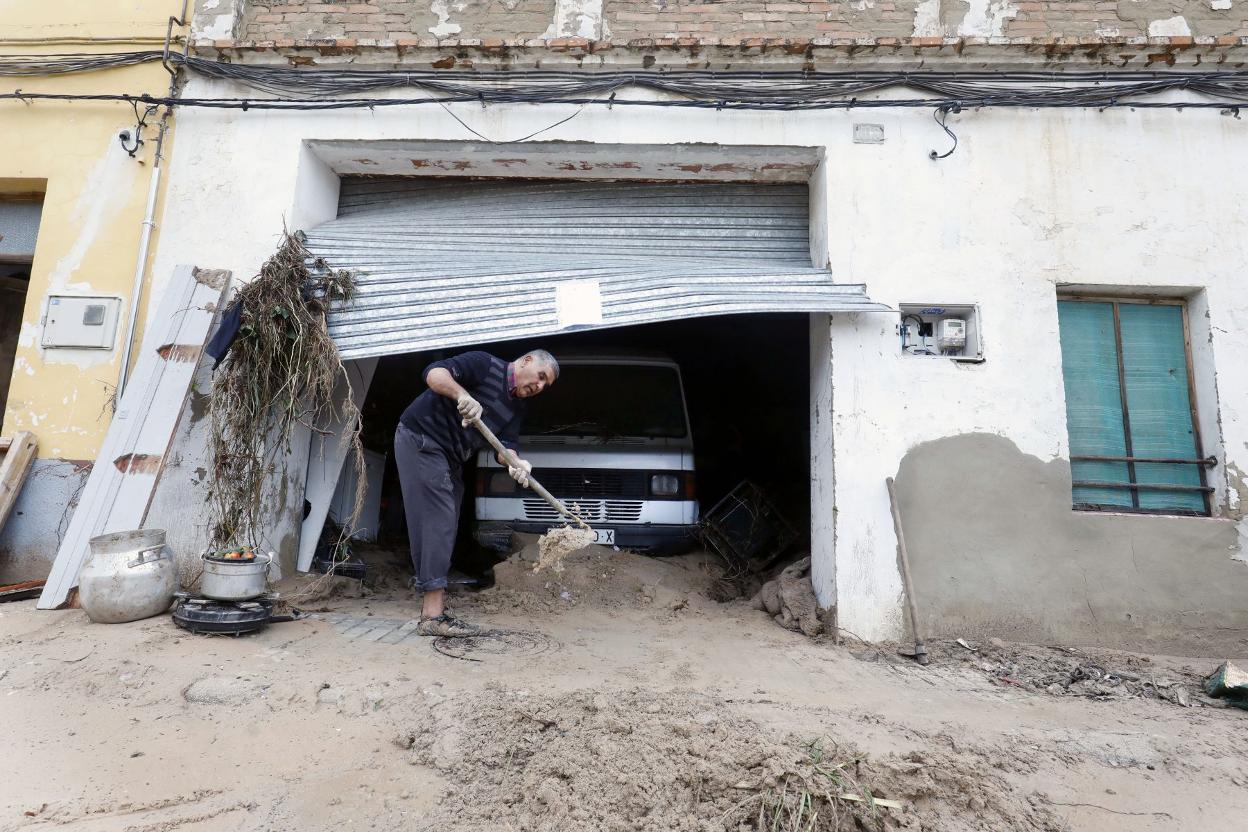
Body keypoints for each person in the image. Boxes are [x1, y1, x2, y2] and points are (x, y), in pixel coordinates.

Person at [394, 349, 559, 637]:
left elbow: (504, 448)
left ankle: (429, 608)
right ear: (527, 361)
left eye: (547, 386)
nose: (541, 387)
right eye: (541, 377)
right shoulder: (485, 365)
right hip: (420, 438)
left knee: (445, 524)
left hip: (450, 457)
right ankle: (433, 616)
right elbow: (434, 373)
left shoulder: (517, 407)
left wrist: (516, 463)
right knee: (439, 520)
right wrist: (462, 395)